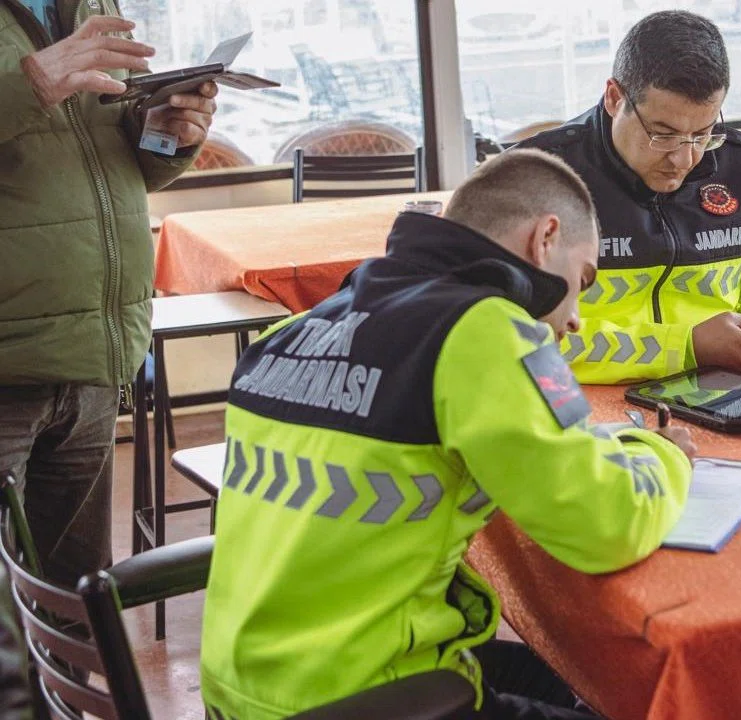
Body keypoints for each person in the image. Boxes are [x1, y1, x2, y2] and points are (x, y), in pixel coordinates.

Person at [200, 149, 696, 719]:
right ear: (546, 239)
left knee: (573, 675)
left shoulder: (295, 330)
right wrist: (660, 453)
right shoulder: (481, 329)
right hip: (368, 696)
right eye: (581, 279)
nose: (577, 316)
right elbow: (607, 525)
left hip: (244, 691)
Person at [0, 3, 215, 587]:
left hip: (95, 352)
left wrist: (166, 134)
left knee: (78, 598)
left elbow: (108, 163)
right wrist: (29, 84)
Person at [516, 10, 741, 384]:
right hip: (578, 402)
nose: (685, 159)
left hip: (718, 392)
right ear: (614, 98)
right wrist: (685, 346)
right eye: (662, 134)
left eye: (703, 134)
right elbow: (516, 338)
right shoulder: (535, 178)